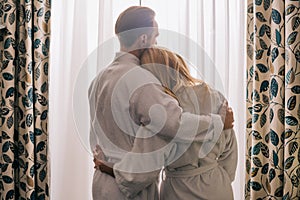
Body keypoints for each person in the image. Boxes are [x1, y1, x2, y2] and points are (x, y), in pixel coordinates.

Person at [89, 6, 234, 200]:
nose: (156, 42)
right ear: (143, 38)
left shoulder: (98, 79)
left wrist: (104, 164)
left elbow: (95, 135)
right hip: (129, 187)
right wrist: (218, 123)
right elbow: (175, 124)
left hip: (101, 182)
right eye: (155, 36)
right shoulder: (141, 80)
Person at [140, 47, 238, 199]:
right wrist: (221, 178)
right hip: (217, 186)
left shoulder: (158, 111)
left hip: (177, 190)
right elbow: (230, 149)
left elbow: (149, 164)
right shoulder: (213, 95)